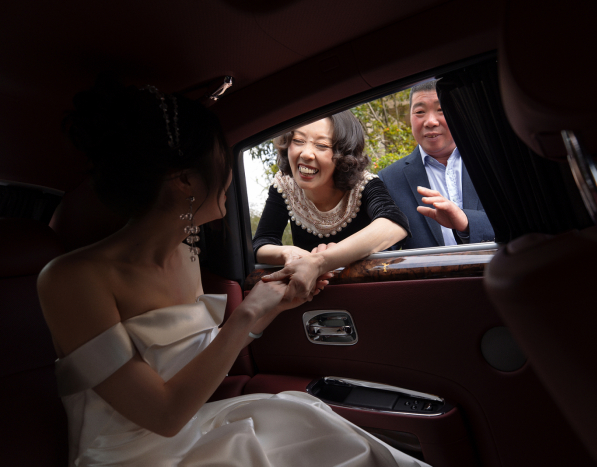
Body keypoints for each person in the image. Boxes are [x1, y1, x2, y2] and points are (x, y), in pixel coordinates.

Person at [38, 77, 427, 466]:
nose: (228, 172)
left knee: (323, 430)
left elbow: (199, 361)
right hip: (131, 455)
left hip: (197, 429)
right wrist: (248, 314)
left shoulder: (187, 253)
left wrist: (275, 306)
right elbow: (163, 415)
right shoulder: (72, 279)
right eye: (221, 157)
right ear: (186, 180)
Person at [253, 111, 410, 299]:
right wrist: (288, 252)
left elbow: (393, 224)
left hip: (370, 294)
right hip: (312, 299)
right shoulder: (284, 185)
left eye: (321, 145)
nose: (306, 153)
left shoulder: (365, 185)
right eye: (299, 141)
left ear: (344, 155)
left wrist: (319, 262)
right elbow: (262, 244)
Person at [378, 80, 494, 249]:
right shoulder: (389, 179)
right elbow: (386, 248)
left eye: (441, 110)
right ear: (410, 118)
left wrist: (466, 222)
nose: (430, 121)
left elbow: (518, 221)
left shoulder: (490, 162)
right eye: (419, 112)